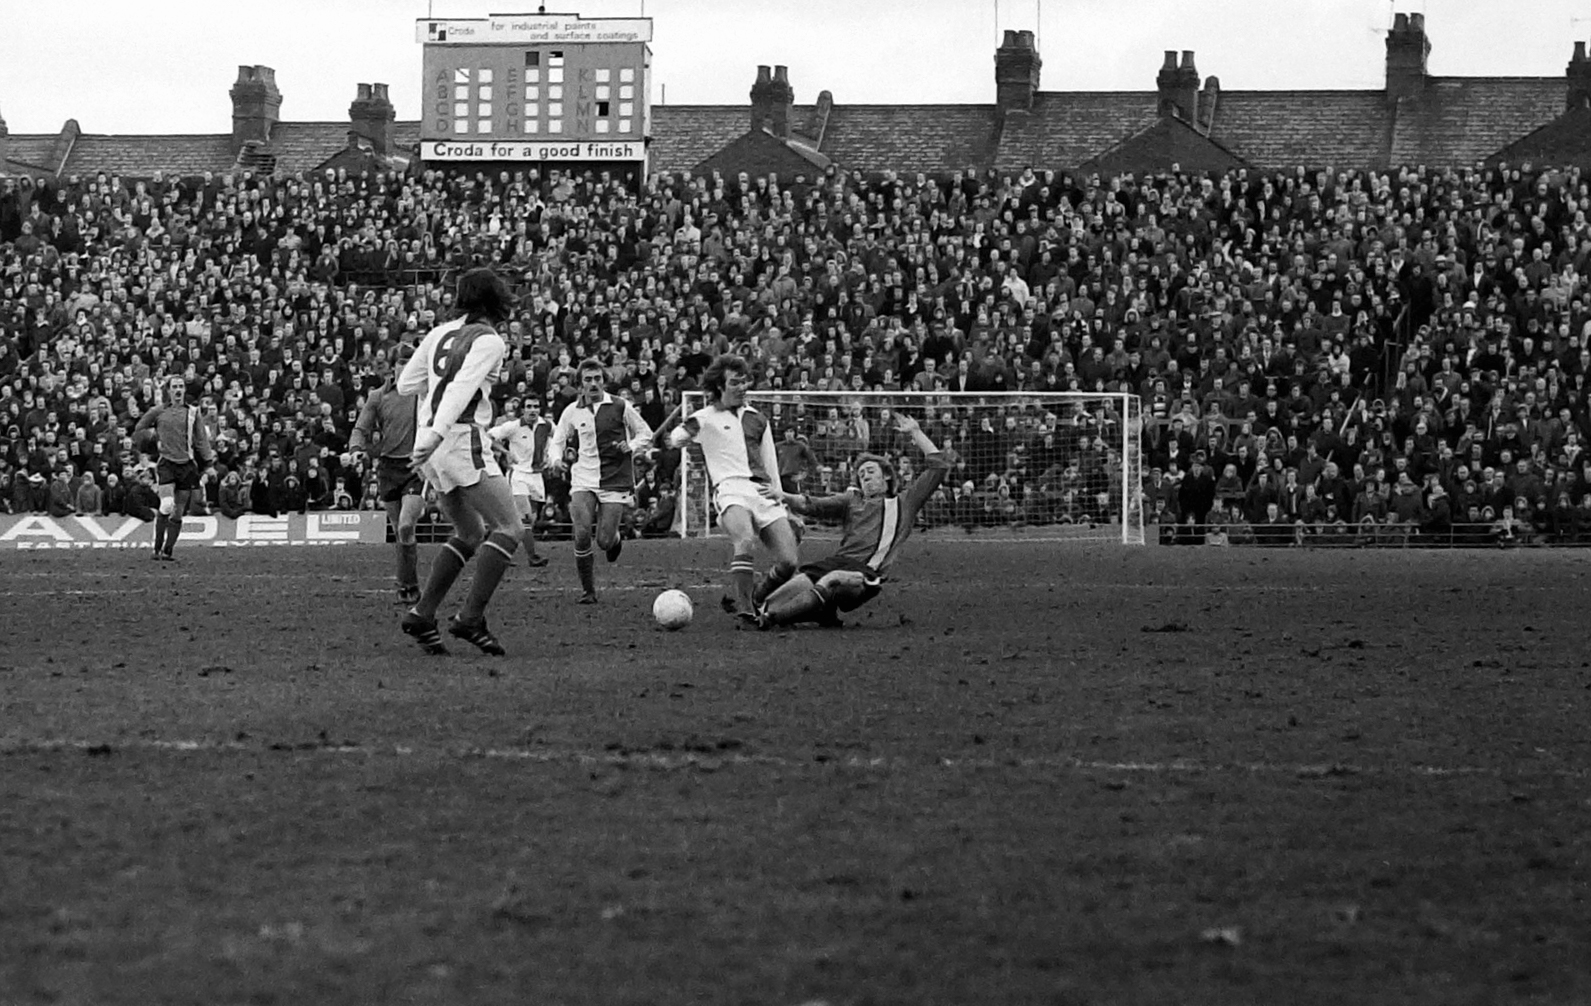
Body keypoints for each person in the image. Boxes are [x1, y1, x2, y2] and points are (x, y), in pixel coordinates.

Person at [394, 267, 523, 656]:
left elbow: (405, 385)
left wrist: (430, 433)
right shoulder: (490, 341)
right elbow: (463, 388)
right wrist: (439, 431)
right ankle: (470, 618)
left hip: (431, 447)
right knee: (511, 528)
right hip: (457, 438)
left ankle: (422, 613)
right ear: (494, 299)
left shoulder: (439, 333)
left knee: (470, 532)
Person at [757, 411, 950, 628]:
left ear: (886, 475)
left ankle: (776, 620)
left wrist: (916, 431)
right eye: (861, 474)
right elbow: (812, 505)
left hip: (865, 573)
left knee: (830, 581)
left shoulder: (905, 503)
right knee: (770, 604)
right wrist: (782, 495)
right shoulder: (852, 500)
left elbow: (939, 467)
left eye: (870, 471)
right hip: (834, 562)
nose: (865, 476)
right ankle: (814, 611)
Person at [662, 354, 800, 625]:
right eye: (734, 382)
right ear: (719, 387)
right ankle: (746, 609)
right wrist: (683, 434)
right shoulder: (704, 417)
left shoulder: (757, 419)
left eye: (744, 381)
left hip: (762, 491)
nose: (742, 387)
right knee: (745, 540)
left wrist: (784, 504)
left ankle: (759, 596)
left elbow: (770, 463)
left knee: (789, 562)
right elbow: (676, 438)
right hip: (730, 490)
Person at [544, 359, 653, 603]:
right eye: (588, 380)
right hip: (583, 477)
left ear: (604, 381)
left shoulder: (620, 405)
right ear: (580, 384)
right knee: (581, 533)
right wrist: (555, 459)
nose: (593, 384)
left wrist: (632, 445)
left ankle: (615, 539)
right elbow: (558, 439)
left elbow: (646, 433)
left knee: (604, 541)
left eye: (597, 379)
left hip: (614, 478)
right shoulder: (572, 410)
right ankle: (588, 591)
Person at [350, 344, 426, 604]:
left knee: (406, 524)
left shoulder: (423, 393)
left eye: (410, 361)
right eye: (402, 362)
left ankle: (408, 584)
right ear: (393, 366)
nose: (406, 367)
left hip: (415, 466)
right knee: (399, 530)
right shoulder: (378, 396)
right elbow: (361, 427)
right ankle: (407, 584)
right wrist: (356, 449)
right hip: (388, 469)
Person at [132, 376, 215, 561]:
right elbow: (139, 429)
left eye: (181, 386)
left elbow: (201, 440)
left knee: (178, 511)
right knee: (167, 505)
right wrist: (152, 439)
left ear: (184, 390)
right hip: (167, 464)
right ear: (168, 390)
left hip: (187, 466)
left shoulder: (193, 412)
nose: (178, 390)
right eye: (174, 387)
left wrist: (209, 465)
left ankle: (168, 551)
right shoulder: (158, 411)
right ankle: (156, 548)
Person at [485, 397, 552, 569]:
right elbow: (488, 436)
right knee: (525, 516)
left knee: (528, 520)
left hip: (537, 476)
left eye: (536, 406)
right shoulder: (513, 426)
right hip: (518, 474)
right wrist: (505, 451)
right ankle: (533, 556)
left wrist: (552, 457)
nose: (533, 410)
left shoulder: (547, 425)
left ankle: (500, 550)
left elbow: (559, 439)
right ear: (522, 410)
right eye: (529, 406)